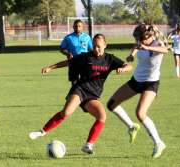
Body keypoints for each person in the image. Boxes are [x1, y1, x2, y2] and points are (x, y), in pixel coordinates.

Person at [29, 34, 132, 154]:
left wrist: (124, 69)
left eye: (99, 46)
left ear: (105, 45)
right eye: (94, 46)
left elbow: (129, 66)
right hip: (80, 89)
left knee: (102, 116)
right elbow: (69, 62)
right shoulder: (86, 57)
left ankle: (88, 145)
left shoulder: (110, 59)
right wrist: (51, 67)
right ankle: (41, 132)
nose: (96, 49)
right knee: (66, 112)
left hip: (93, 95)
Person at [107, 24, 168, 159]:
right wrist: (131, 57)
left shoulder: (158, 43)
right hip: (136, 80)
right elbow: (135, 48)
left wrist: (147, 47)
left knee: (140, 113)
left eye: (140, 40)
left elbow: (165, 50)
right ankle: (131, 126)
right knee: (111, 104)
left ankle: (159, 143)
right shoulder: (139, 43)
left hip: (150, 83)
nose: (138, 42)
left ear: (147, 37)